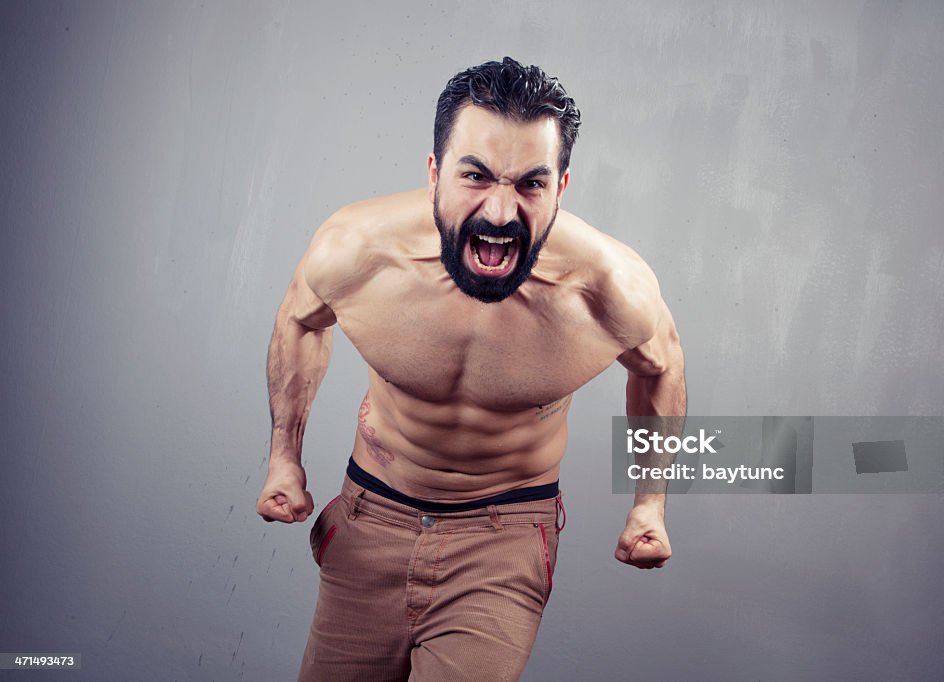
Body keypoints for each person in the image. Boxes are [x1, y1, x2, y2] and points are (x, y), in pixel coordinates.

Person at [256, 57, 686, 681]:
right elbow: (299, 321)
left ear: (560, 189)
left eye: (531, 185)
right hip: (371, 516)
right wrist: (283, 458)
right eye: (476, 176)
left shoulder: (607, 288)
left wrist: (651, 504)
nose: (501, 212)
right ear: (434, 173)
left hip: (502, 535)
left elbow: (661, 366)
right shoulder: (359, 253)